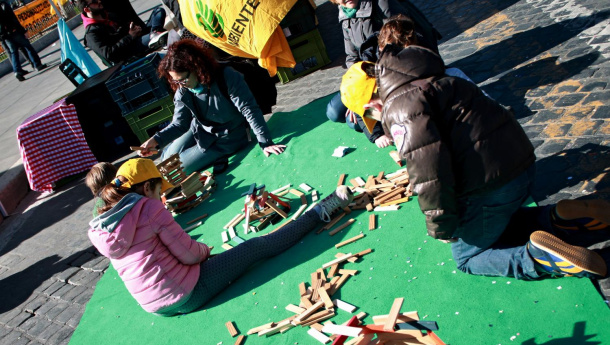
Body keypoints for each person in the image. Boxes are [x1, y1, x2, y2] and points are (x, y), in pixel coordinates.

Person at [340, 49, 608, 280]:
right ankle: (558, 219)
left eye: (371, 115)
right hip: (521, 163)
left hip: (495, 186)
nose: (379, 119)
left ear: (372, 103)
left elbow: (431, 176)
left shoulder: (398, 110)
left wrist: (442, 227)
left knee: (467, 257)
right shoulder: (431, 76)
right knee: (492, 221)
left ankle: (539, 259)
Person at [88, 158, 354, 315]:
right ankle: (320, 212)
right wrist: (205, 251)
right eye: (159, 191)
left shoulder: (104, 221)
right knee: (256, 246)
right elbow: (191, 254)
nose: (162, 198)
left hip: (154, 306)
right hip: (186, 294)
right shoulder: (149, 207)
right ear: (147, 188)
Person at [137, 40, 286, 174]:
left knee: (177, 168)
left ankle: (215, 155)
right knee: (166, 158)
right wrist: (155, 141)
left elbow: (249, 109)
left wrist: (265, 143)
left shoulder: (227, 76)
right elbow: (179, 124)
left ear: (196, 67)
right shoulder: (182, 90)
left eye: (183, 79)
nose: (182, 85)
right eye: (177, 82)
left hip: (229, 136)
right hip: (200, 128)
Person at [326, 0, 439, 148]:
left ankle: (390, 121)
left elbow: (403, 42)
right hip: (368, 74)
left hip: (392, 71)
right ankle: (383, 120)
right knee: (334, 112)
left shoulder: (382, 4)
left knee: (355, 122)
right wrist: (354, 93)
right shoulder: (345, 14)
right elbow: (352, 58)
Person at [75, 0, 167, 65]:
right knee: (153, 37)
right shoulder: (91, 33)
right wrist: (130, 36)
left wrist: (133, 29)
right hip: (129, 51)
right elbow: (109, 54)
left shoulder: (108, 16)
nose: (99, 1)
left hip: (135, 39)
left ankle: (155, 33)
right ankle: (155, 36)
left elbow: (123, 30)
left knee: (158, 12)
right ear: (87, 9)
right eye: (94, 1)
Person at [0, 0, 47, 81]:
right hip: (13, 31)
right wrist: (23, 31)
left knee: (13, 52)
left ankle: (17, 71)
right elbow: (13, 19)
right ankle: (37, 64)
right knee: (27, 46)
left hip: (5, 36)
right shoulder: (4, 5)